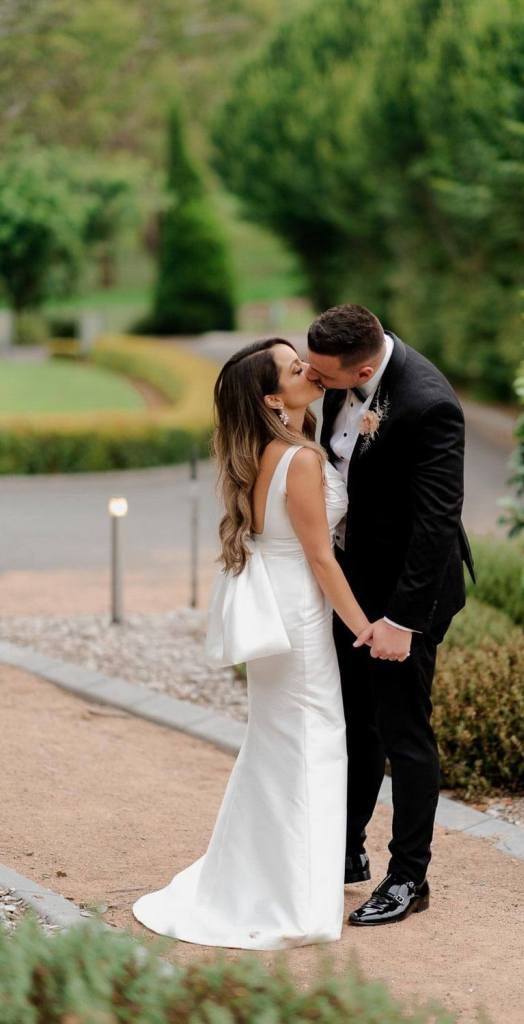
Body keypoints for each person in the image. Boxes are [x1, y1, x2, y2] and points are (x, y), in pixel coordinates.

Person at [132, 338, 371, 950]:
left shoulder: (266, 452)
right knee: (314, 739)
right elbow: (321, 556)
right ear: (272, 396)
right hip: (298, 610)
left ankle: (261, 878)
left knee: (276, 742)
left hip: (276, 602)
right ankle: (293, 897)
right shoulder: (302, 459)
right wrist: (363, 626)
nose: (310, 371)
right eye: (296, 369)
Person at [306, 304, 476, 927]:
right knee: (356, 720)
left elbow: (435, 524)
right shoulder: (342, 374)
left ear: (367, 366)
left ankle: (408, 878)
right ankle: (347, 848)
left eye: (325, 379)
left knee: (405, 732)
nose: (316, 384)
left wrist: (402, 623)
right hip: (353, 584)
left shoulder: (430, 404)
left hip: (410, 594)